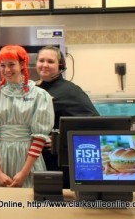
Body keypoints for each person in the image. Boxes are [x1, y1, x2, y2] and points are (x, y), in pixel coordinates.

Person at [0, 45, 54, 188]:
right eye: (2, 65)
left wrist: (24, 173)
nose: (7, 70)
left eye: (11, 64)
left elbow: (39, 137)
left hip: (28, 158)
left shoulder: (39, 95)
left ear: (22, 64)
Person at [36, 45, 99, 188]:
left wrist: (61, 141)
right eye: (41, 60)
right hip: (39, 161)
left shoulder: (70, 91)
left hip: (58, 163)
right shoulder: (36, 88)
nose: (45, 65)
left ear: (61, 65)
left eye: (50, 61)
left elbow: (94, 122)